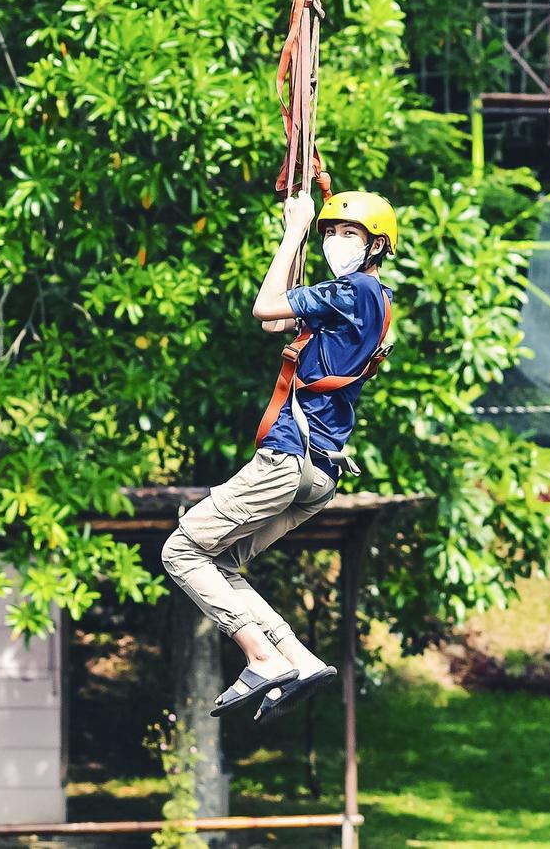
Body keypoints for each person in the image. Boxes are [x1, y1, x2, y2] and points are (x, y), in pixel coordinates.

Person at [161, 189, 395, 724]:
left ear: (376, 244)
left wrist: (294, 231)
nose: (336, 241)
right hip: (321, 470)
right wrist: (298, 240)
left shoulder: (350, 290)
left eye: (349, 234)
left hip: (289, 458)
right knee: (220, 561)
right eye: (330, 233)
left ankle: (262, 658)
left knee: (181, 552)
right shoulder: (367, 298)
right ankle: (299, 658)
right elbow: (275, 323)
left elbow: (263, 307)